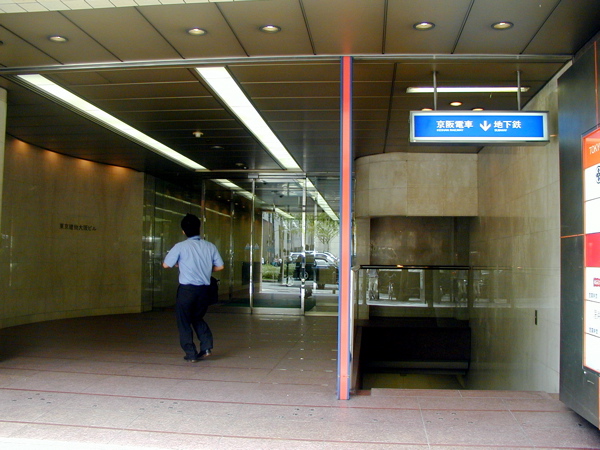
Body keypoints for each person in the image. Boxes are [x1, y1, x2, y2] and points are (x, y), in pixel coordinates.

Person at [163, 214, 224, 363]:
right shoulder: (210, 246)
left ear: (183, 231)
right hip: (204, 291)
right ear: (199, 229)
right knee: (197, 317)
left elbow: (166, 265)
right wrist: (206, 269)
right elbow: (220, 266)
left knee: (183, 321)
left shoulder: (180, 246)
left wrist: (180, 264)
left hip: (187, 290)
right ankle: (206, 347)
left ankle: (190, 353)